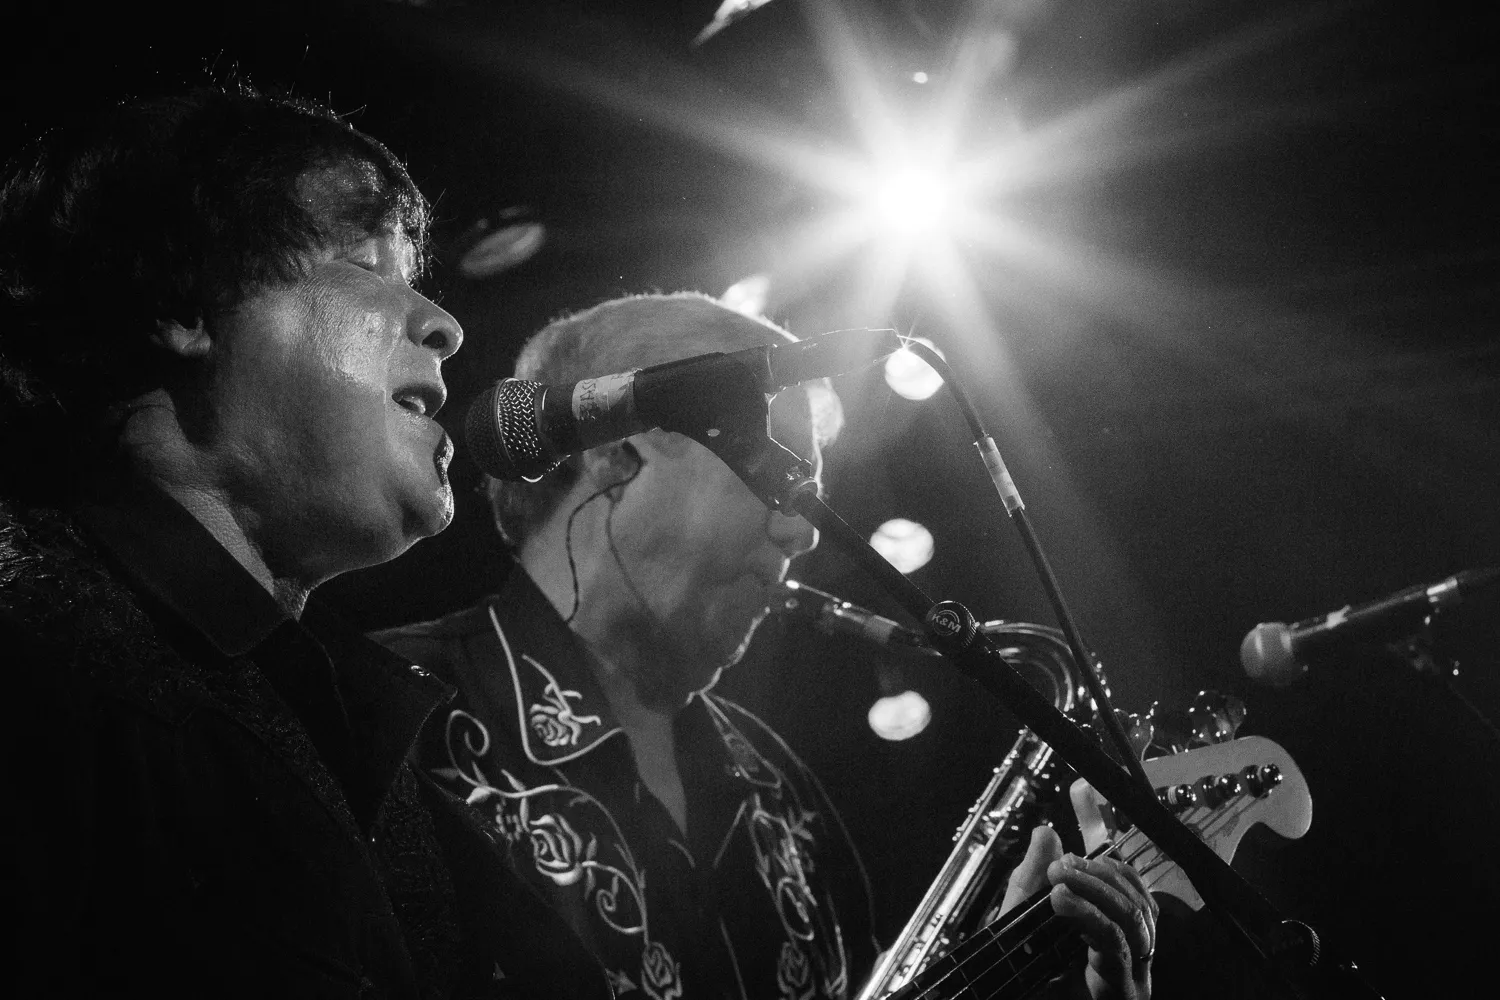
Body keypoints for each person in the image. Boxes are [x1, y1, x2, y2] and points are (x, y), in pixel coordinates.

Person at [372, 292, 1158, 1000]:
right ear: (613, 452)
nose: (802, 532)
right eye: (770, 476)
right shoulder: (387, 713)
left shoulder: (785, 796)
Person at [1, 83, 607, 998]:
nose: (445, 326)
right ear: (185, 302)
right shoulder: (37, 661)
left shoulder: (325, 712)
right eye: (367, 265)